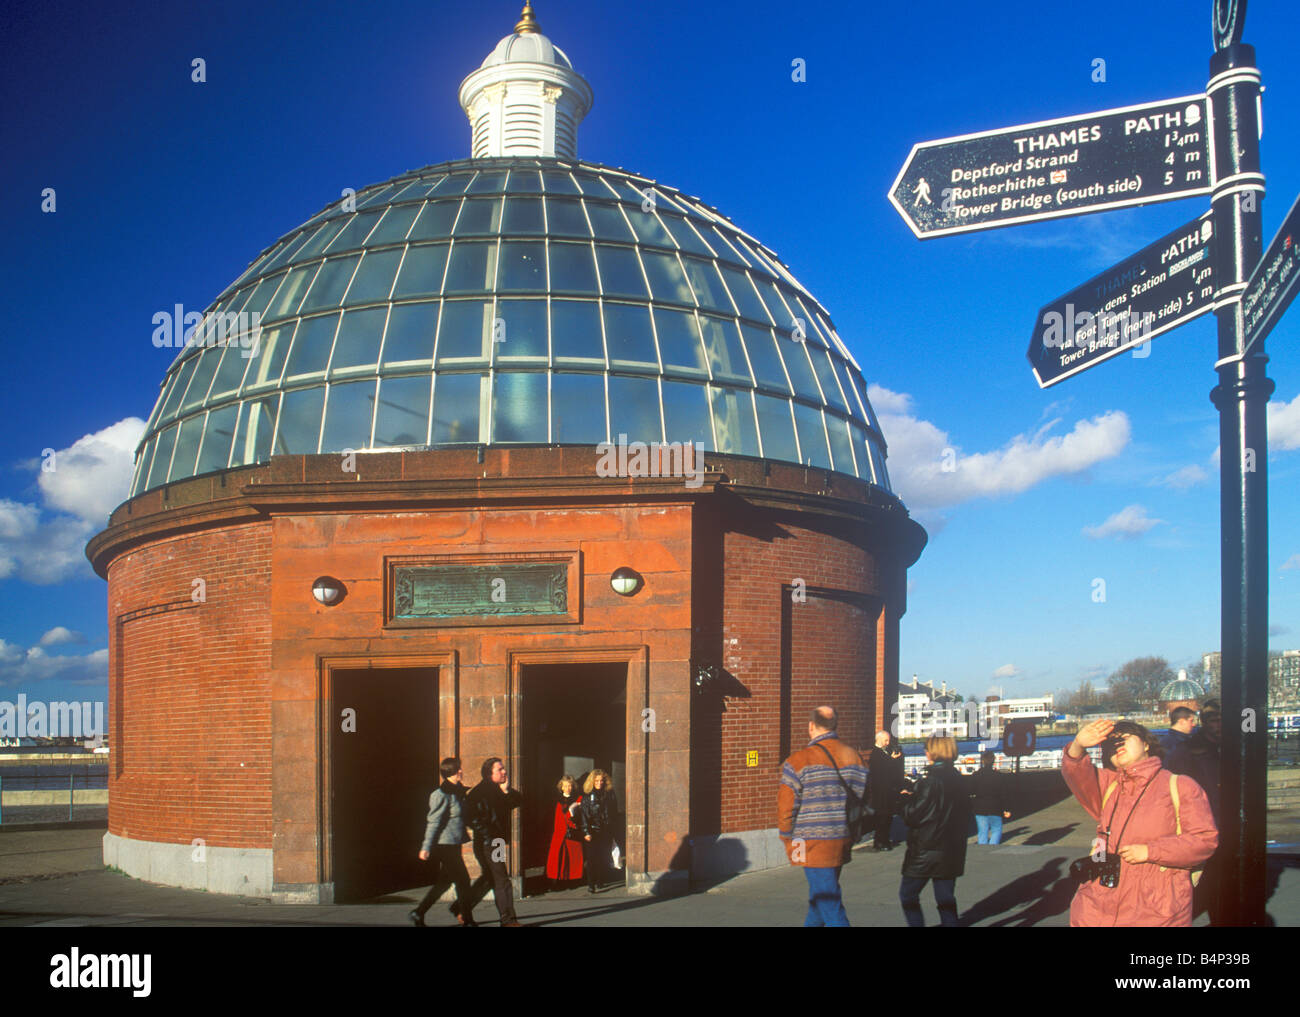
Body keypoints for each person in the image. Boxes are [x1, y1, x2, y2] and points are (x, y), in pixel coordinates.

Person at [1063, 719, 1217, 927]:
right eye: (1110, 744)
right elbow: (1077, 773)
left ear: (1146, 744)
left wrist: (1150, 851)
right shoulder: (1109, 785)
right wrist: (1078, 746)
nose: (1117, 745)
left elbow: (1204, 840)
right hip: (1097, 905)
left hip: (1155, 909)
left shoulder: (1181, 786)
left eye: (1124, 738)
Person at [777, 705, 867, 927]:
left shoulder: (799, 760)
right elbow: (863, 798)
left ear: (811, 726)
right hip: (842, 838)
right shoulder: (854, 757)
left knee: (829, 903)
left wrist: (789, 841)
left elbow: (786, 808)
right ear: (835, 725)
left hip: (812, 842)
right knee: (820, 900)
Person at [898, 735, 971, 927]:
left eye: (926, 748)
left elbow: (913, 815)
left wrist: (906, 800)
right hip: (953, 849)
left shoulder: (930, 781)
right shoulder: (959, 779)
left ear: (933, 752)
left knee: (908, 894)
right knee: (945, 898)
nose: (925, 751)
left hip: (926, 849)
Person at [1166, 700, 1223, 923]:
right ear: (1204, 723)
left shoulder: (1228, 748)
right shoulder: (1184, 752)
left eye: (1221, 720)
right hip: (1199, 828)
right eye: (1213, 720)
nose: (1218, 725)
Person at [410, 756, 476, 927]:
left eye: (459, 768)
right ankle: (467, 920)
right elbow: (433, 822)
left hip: (454, 844)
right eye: (457, 769)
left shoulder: (457, 792)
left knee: (444, 883)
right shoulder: (440, 795)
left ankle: (418, 912)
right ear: (450, 772)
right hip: (444, 845)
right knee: (463, 881)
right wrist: (426, 847)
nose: (461, 771)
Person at [460, 757, 524, 927]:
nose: (504, 772)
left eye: (504, 769)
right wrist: (487, 833)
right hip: (490, 842)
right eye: (500, 770)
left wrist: (507, 790)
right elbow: (469, 817)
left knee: (490, 879)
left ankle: (461, 908)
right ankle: (508, 920)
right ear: (489, 774)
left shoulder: (498, 790)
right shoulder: (479, 793)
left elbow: (517, 800)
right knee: (502, 879)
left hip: (497, 841)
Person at [577, 769, 619, 893]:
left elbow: (614, 812)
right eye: (596, 781)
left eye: (602, 780)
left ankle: (600, 880)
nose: (599, 783)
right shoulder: (587, 796)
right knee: (591, 858)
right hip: (592, 830)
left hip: (605, 830)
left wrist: (613, 830)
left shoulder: (610, 794)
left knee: (603, 856)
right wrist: (586, 832)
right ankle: (591, 884)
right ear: (592, 781)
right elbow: (584, 815)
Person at [868, 730, 906, 851]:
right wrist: (892, 760)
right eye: (886, 740)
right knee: (882, 818)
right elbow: (881, 769)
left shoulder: (884, 752)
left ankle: (884, 840)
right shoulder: (875, 753)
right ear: (879, 740)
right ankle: (880, 841)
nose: (888, 743)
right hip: (880, 792)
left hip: (887, 791)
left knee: (887, 817)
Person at [546, 774, 584, 889]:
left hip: (572, 831)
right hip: (559, 832)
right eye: (565, 786)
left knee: (573, 857)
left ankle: (573, 880)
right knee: (559, 857)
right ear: (561, 787)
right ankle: (559, 881)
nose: (568, 788)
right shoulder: (556, 801)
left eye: (570, 786)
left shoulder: (577, 799)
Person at [969, 750, 1011, 845]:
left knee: (982, 832)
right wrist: (1007, 809)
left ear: (982, 761)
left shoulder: (976, 775)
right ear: (993, 761)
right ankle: (992, 847)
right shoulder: (999, 776)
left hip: (980, 808)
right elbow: (1004, 794)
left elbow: (971, 791)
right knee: (996, 830)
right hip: (995, 807)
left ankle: (983, 852)